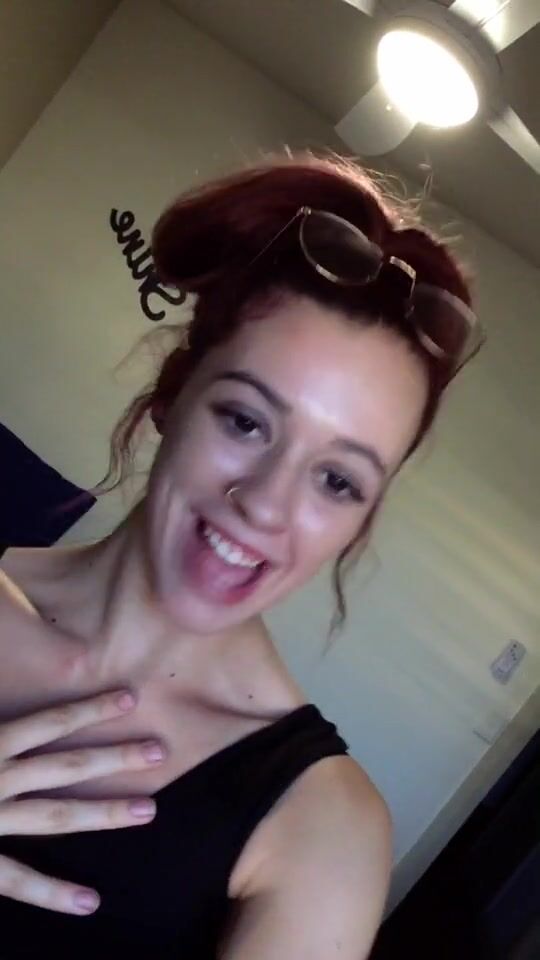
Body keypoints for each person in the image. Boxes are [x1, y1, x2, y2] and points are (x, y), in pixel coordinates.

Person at [0, 152, 484, 959]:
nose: (264, 504)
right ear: (174, 393)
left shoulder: (324, 829)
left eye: (336, 480)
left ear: (359, 519)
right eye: (246, 422)